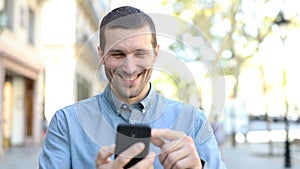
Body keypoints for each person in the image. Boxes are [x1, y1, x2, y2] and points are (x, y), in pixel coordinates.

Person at [39, 6, 227, 169]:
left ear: (155, 54)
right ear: (101, 55)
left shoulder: (194, 122)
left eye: (140, 53)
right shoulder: (66, 124)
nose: (129, 68)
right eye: (118, 54)